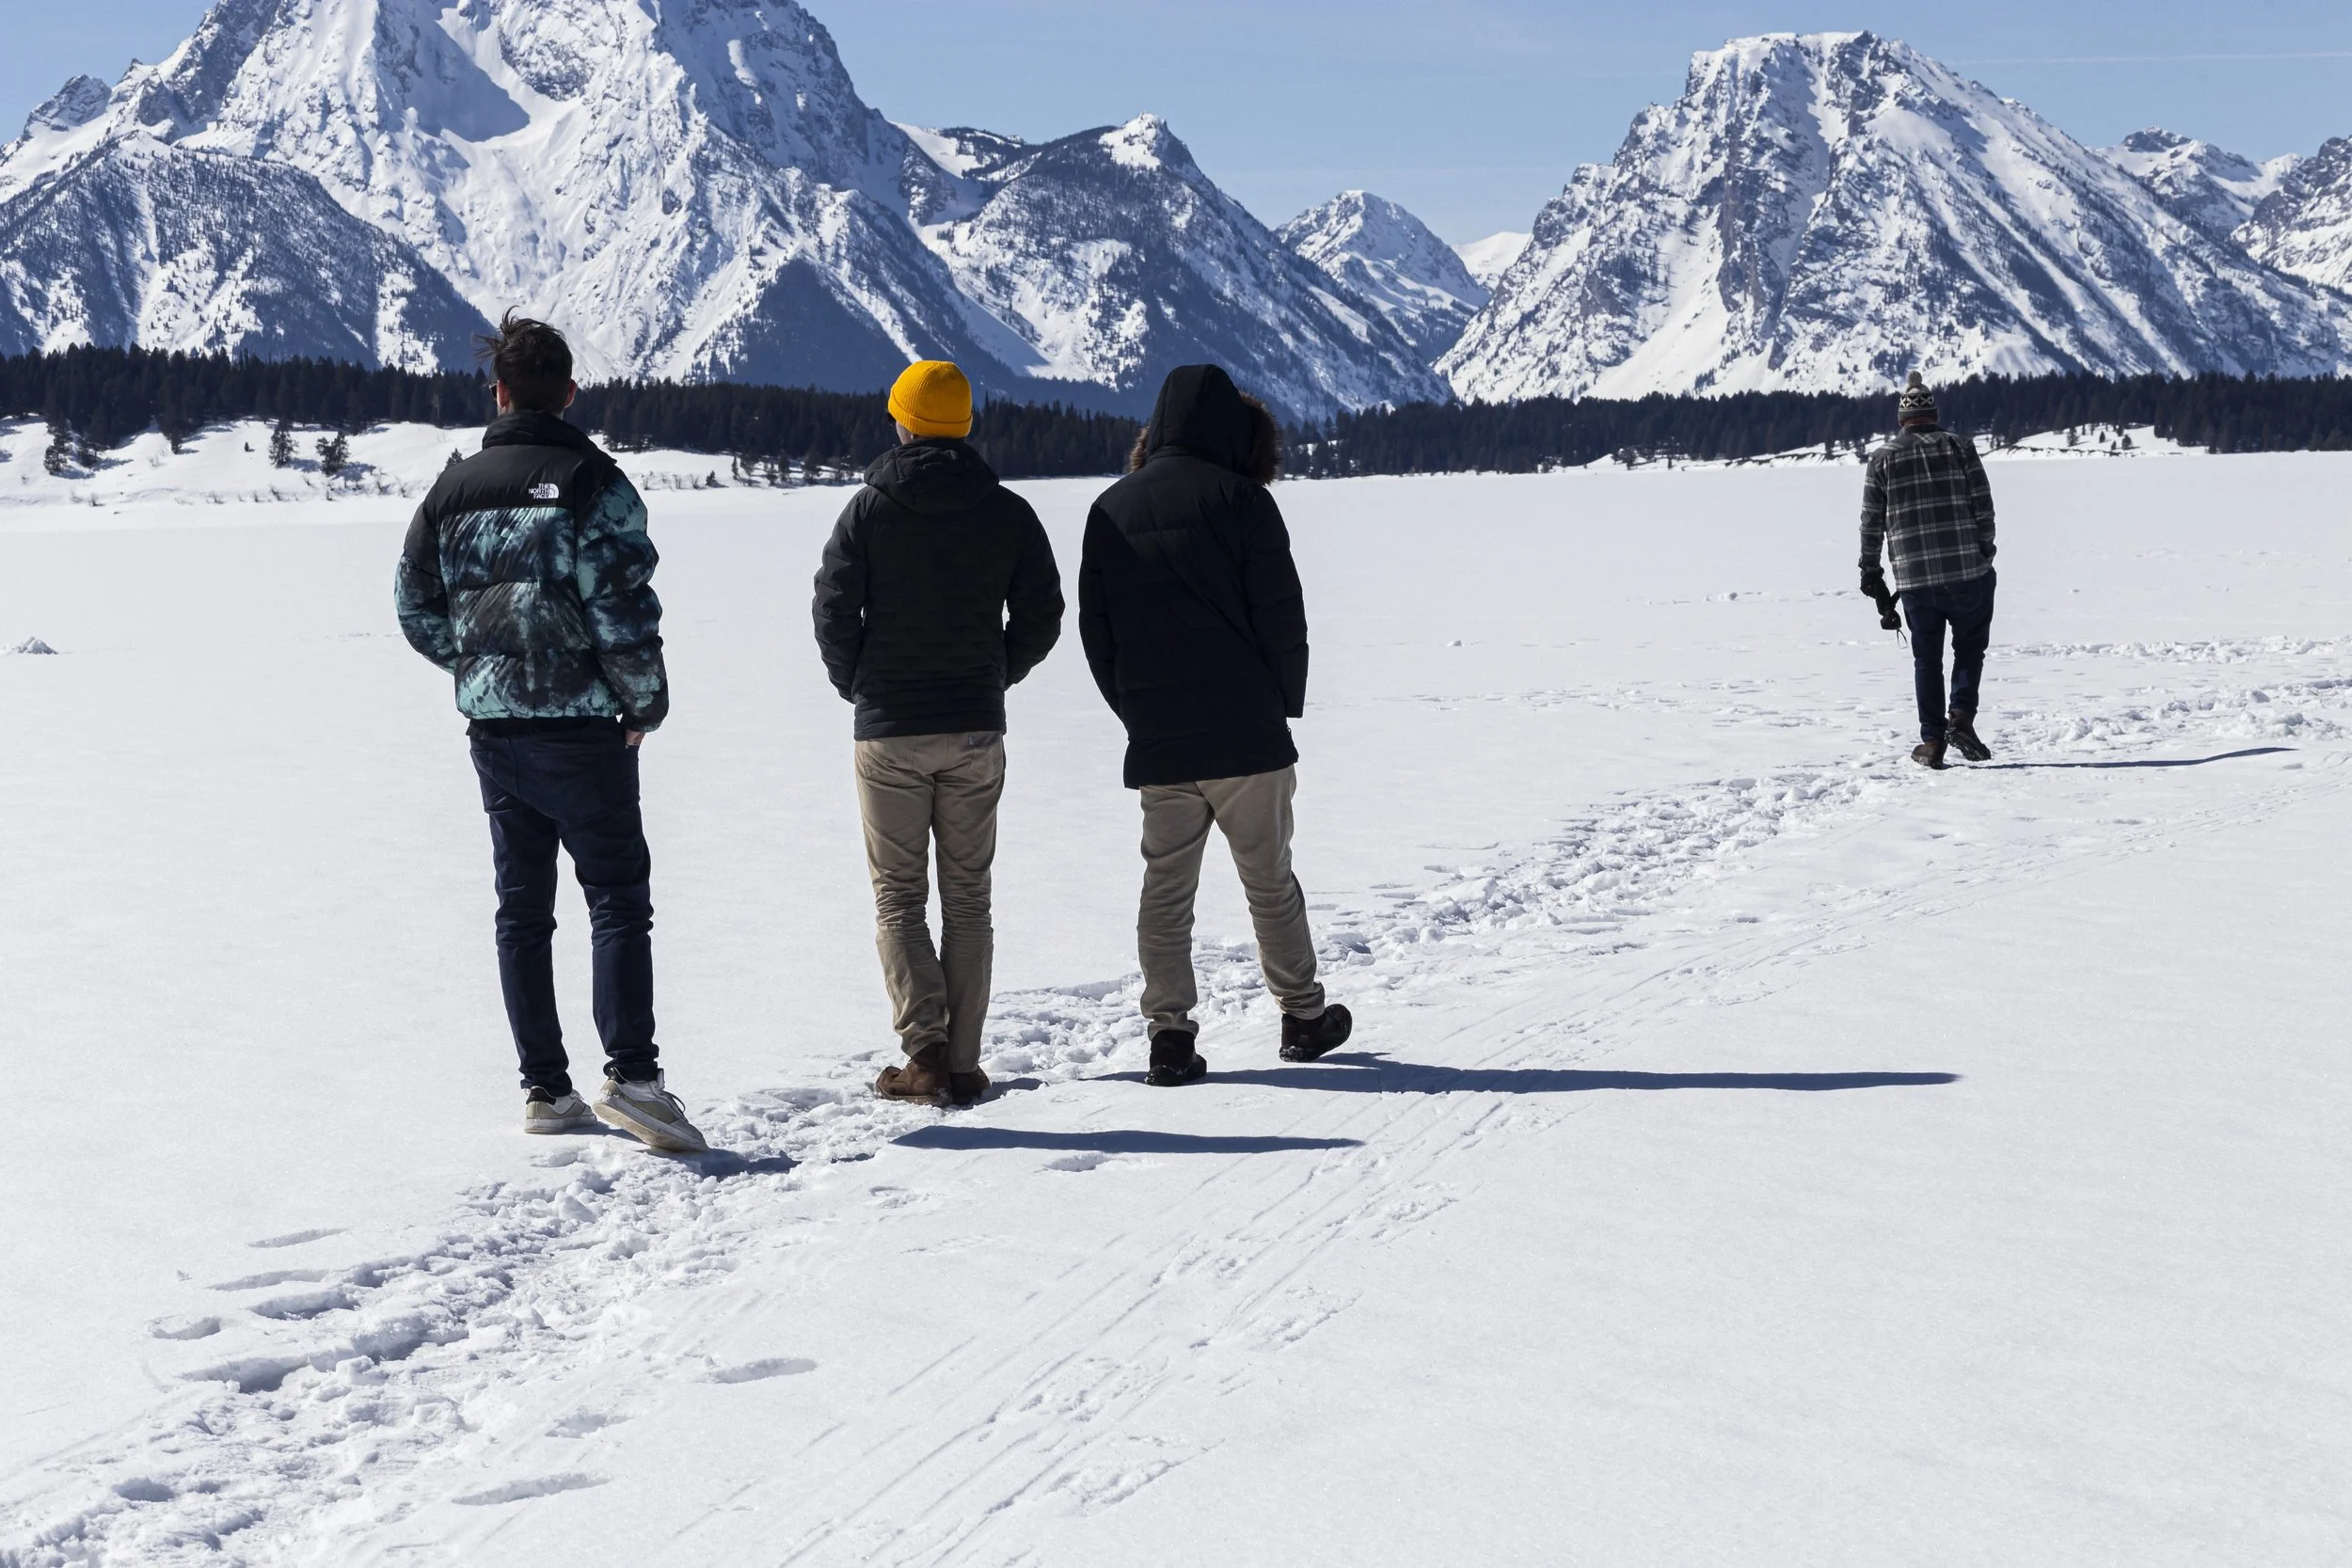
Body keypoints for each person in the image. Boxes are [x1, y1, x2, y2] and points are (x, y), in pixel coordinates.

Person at [394, 312, 706, 1153]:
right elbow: (622, 610)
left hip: (495, 732)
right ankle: (634, 1079)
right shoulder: (595, 482)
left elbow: (414, 606)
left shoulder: (450, 491)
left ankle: (546, 1089)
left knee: (522, 909)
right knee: (617, 898)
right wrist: (643, 706)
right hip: (584, 731)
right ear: (568, 394)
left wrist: (481, 666)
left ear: (497, 392)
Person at [1078, 364, 1352, 1087]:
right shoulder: (1244, 501)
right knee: (1270, 882)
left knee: (1166, 892)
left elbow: (1098, 633)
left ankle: (1169, 1036)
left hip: (1162, 740)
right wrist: (1278, 703)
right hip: (1245, 735)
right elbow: (1282, 618)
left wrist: (1137, 710)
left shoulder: (1110, 508)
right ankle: (1302, 1016)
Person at [813, 360, 1063, 1107]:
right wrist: (996, 674)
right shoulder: (1008, 512)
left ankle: (924, 1054)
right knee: (968, 898)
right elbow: (1043, 613)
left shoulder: (868, 510)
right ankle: (961, 1063)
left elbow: (833, 608)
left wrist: (858, 684)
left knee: (898, 898)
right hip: (974, 729)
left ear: (903, 422)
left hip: (889, 731)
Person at [1861, 371, 1998, 769]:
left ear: (1901, 420)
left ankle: (1933, 741)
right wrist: (1985, 553)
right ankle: (1961, 718)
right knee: (1970, 647)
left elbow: (1871, 523)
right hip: (1968, 571)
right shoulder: (1960, 447)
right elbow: (1983, 506)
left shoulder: (1882, 458)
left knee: (1927, 659)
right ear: (1934, 415)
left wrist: (1871, 571)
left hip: (1915, 579)